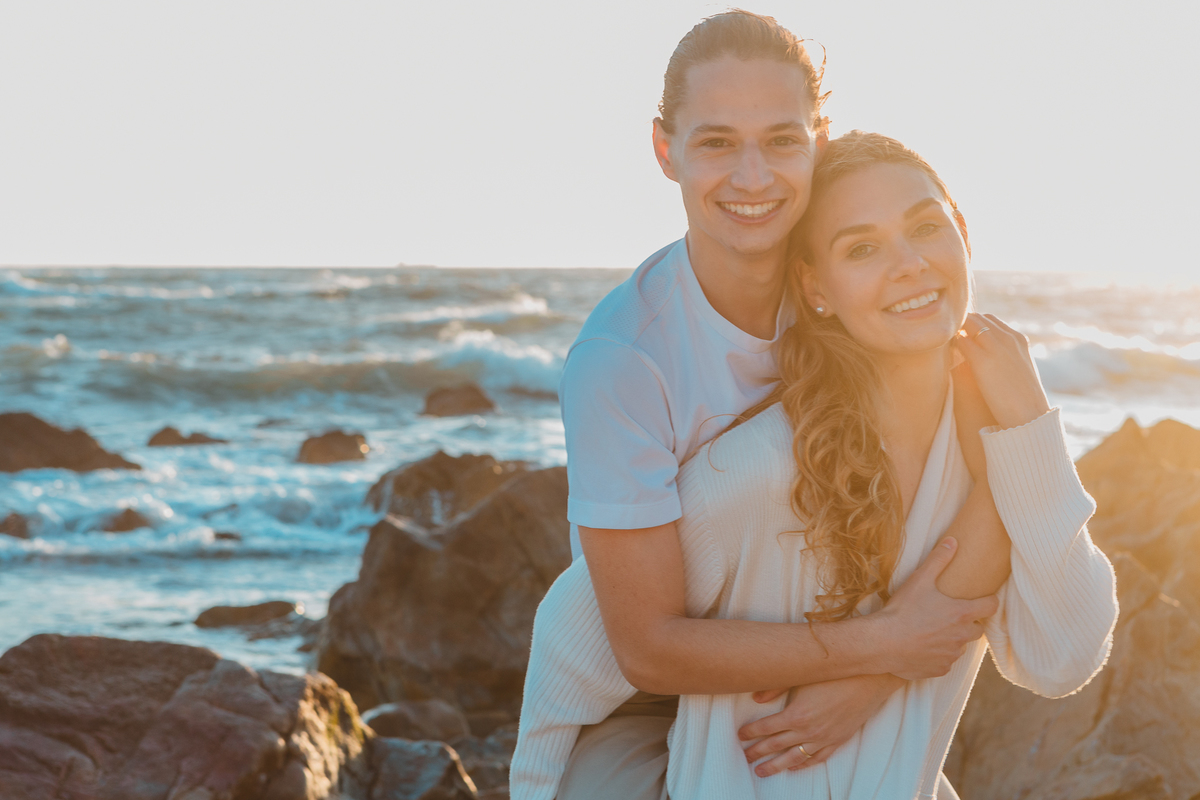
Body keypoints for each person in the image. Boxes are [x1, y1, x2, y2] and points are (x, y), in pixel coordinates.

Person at [512, 131, 1119, 799]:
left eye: (925, 226)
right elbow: (580, 641)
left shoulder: (998, 448)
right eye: (862, 248)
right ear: (817, 289)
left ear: (964, 233)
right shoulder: (761, 471)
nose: (910, 263)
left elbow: (1063, 659)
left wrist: (1031, 423)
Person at [536, 10, 1013, 800]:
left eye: (782, 140)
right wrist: (882, 647)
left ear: (818, 141)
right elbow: (649, 650)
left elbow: (991, 475)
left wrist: (874, 674)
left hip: (834, 635)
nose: (753, 177)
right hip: (645, 698)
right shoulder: (623, 361)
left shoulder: (853, 282)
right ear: (666, 150)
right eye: (717, 142)